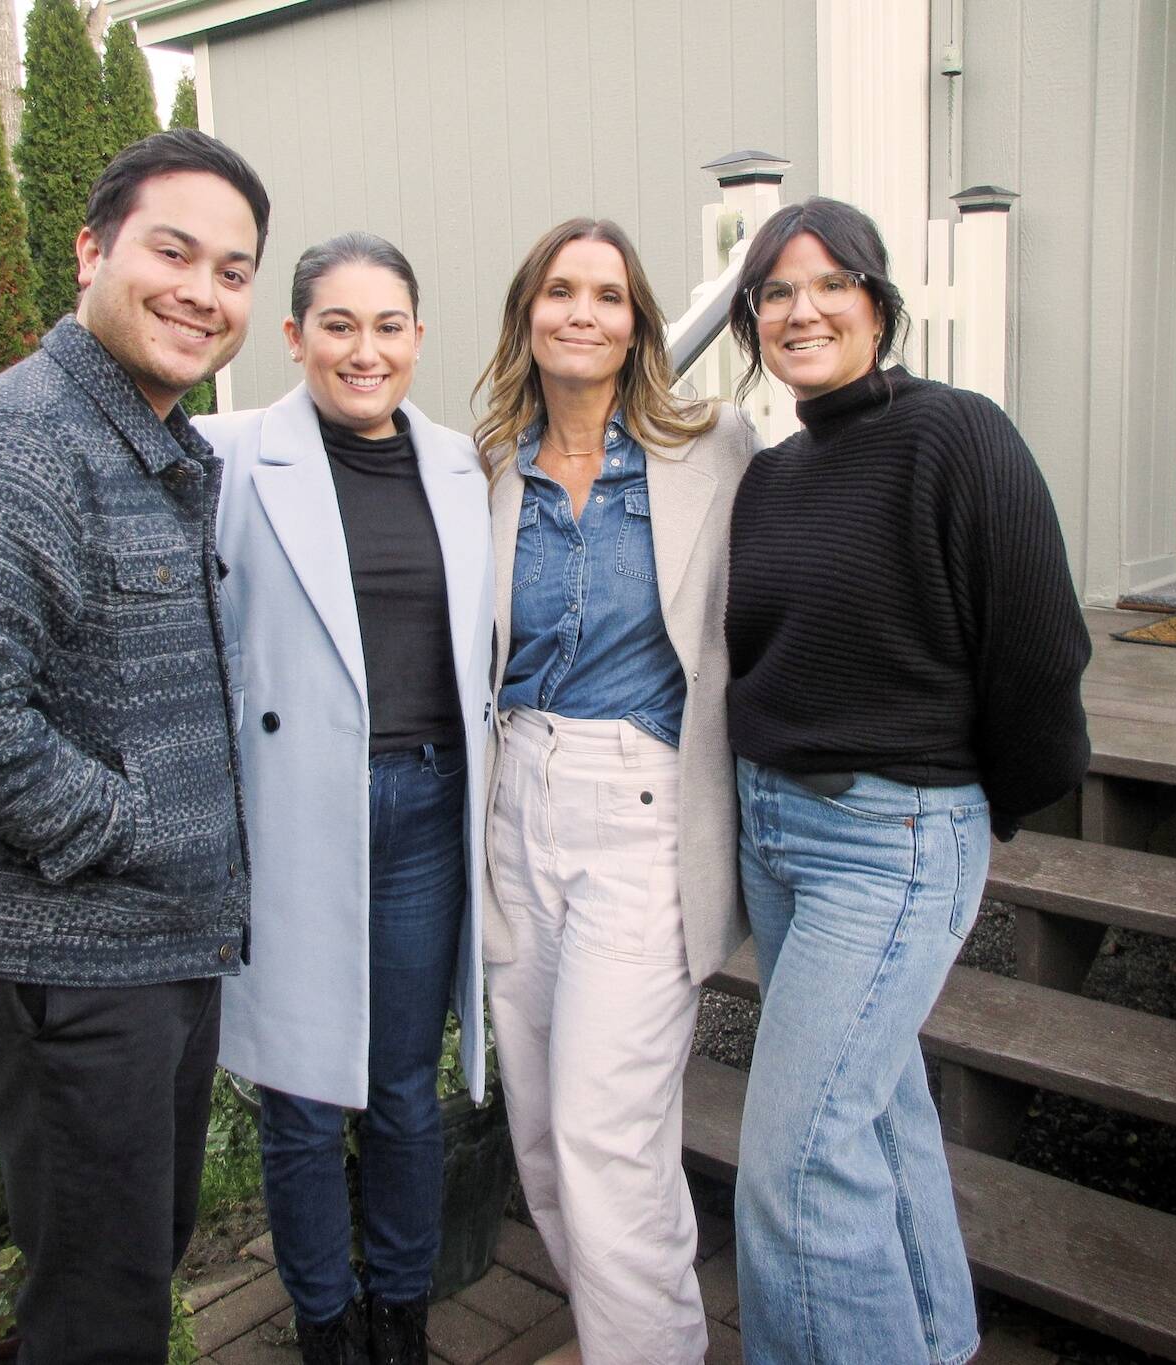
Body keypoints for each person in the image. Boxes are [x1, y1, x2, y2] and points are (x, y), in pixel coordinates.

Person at [0, 130, 269, 1365]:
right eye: (173, 250)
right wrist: (134, 830)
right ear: (92, 250)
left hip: (140, 949)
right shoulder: (21, 440)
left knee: (128, 1264)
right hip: (63, 960)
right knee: (101, 1308)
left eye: (236, 270)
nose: (204, 292)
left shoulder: (145, 444)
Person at [721, 196, 1091, 1365]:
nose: (801, 309)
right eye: (775, 292)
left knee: (792, 1167)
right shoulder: (772, 475)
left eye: (830, 283)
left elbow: (1038, 647)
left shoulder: (955, 435)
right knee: (873, 1116)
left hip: (891, 835)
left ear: (877, 304)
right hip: (774, 829)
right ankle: (932, 1341)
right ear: (752, 324)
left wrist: (987, 807)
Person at [199, 232, 493, 1365]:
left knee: (404, 1089)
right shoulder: (226, 456)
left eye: (386, 327)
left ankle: (400, 1315)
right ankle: (324, 1324)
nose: (362, 351)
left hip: (424, 813)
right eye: (337, 325)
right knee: (300, 1092)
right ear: (293, 337)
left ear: (416, 338)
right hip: (293, 816)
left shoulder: (463, 466)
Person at [475, 218, 760, 1365]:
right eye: (558, 291)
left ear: (638, 319)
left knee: (608, 1135)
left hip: (639, 816)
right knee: (543, 1136)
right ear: (527, 316)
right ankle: (619, 1339)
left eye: (605, 294)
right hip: (513, 809)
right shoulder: (487, 465)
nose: (580, 312)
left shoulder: (714, 450)